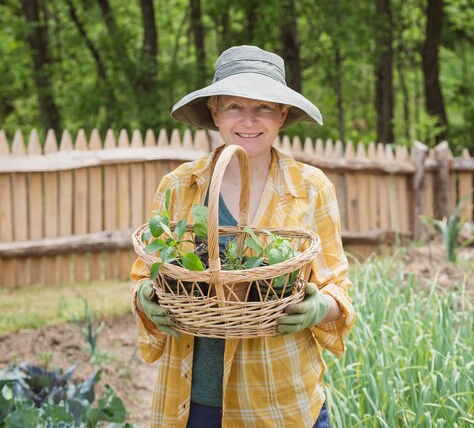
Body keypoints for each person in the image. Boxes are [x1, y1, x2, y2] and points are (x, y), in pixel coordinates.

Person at [130, 45, 355, 428]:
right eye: (234, 106)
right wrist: (145, 298)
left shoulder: (311, 187)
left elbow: (338, 289)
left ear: (282, 115)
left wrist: (319, 308)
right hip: (193, 403)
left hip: (280, 401)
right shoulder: (180, 185)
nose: (249, 120)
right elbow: (143, 276)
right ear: (215, 112)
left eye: (264, 107)